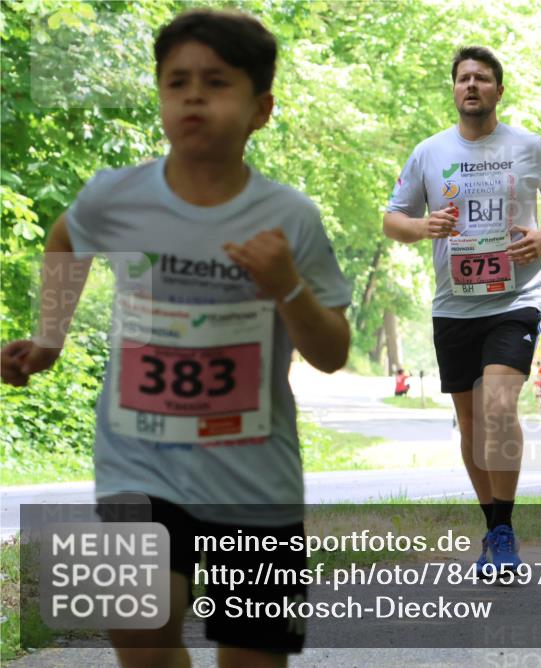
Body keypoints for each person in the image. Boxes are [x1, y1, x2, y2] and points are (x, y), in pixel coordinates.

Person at [0, 9, 352, 667]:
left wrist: (287, 286)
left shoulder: (290, 218)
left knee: (251, 659)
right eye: (176, 81)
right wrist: (49, 339)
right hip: (138, 465)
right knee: (141, 634)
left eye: (217, 82)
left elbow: (332, 354)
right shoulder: (115, 197)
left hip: (254, 481)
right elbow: (64, 239)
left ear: (260, 108)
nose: (193, 95)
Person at [383, 46, 541, 574]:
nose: (471, 85)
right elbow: (392, 220)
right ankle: (492, 525)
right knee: (470, 424)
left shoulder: (527, 146)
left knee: (497, 408)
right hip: (453, 305)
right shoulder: (429, 152)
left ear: (499, 89)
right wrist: (422, 227)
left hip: (515, 299)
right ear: (454, 89)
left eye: (482, 78)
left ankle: (505, 530)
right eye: (463, 78)